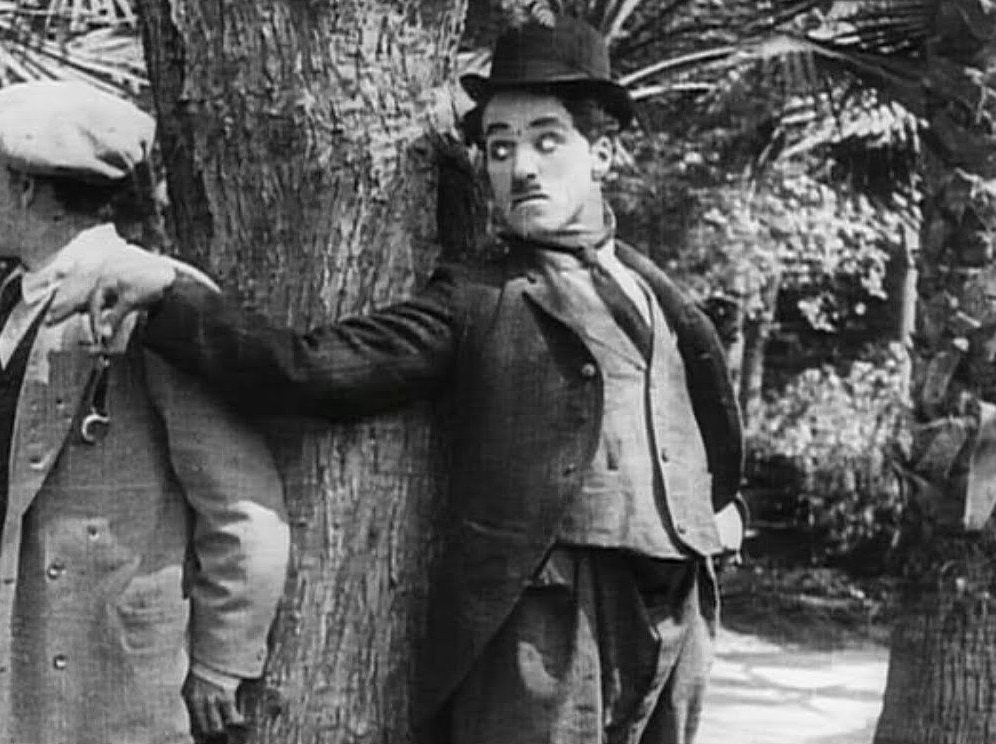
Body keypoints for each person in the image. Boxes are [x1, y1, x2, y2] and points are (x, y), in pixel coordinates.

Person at [47, 17, 745, 744]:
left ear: (602, 154)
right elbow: (309, 370)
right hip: (552, 618)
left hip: (678, 605)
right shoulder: (480, 299)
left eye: (547, 141)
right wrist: (170, 298)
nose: (521, 168)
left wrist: (719, 513)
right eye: (499, 147)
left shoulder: (654, 291)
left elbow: (698, 420)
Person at [0, 80, 291, 744]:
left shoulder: (153, 299)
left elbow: (241, 502)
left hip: (106, 685)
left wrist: (222, 661)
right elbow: (14, 486)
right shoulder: (11, 303)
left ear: (25, 188)